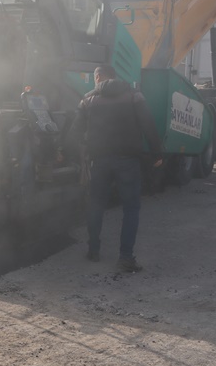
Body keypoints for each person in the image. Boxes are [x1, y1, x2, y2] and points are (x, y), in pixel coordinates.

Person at [70, 65, 163, 272]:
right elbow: (148, 124)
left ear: (97, 78)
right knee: (130, 208)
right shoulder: (134, 96)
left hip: (100, 160)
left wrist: (80, 151)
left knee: (96, 205)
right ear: (115, 77)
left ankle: (93, 251)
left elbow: (74, 131)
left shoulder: (87, 99)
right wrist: (157, 153)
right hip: (128, 161)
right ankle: (125, 258)